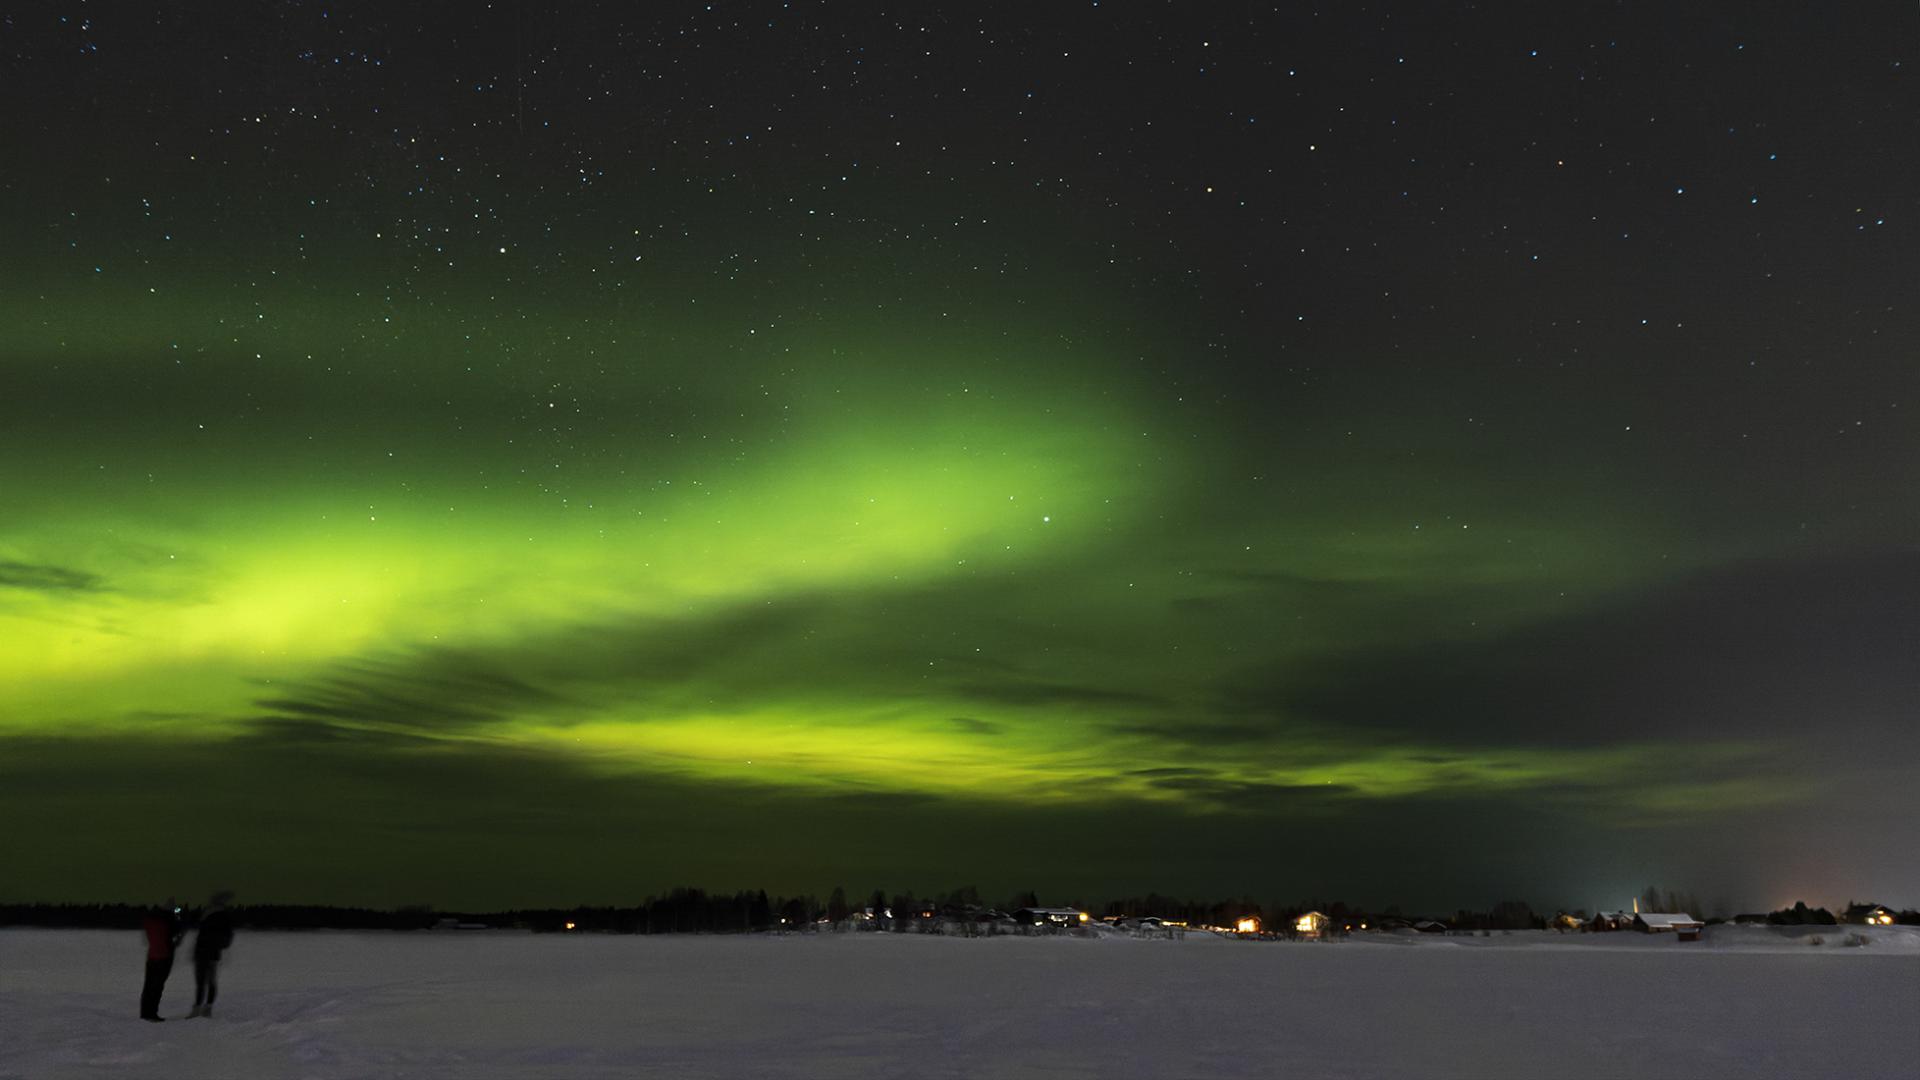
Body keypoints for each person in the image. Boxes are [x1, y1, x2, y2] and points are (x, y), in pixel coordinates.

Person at [187, 892, 235, 1018]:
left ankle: (203, 1008)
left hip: (207, 952)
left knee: (204, 982)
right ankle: (203, 1008)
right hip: (208, 952)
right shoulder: (210, 914)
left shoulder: (219, 916)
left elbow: (227, 937)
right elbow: (227, 937)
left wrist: (219, 944)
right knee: (207, 981)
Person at [139, 901, 185, 1022]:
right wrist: (177, 915)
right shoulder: (169, 919)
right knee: (157, 986)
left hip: (152, 955)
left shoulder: (149, 918)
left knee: (148, 985)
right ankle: (152, 1013)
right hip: (165, 955)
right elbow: (178, 931)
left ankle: (145, 1013)